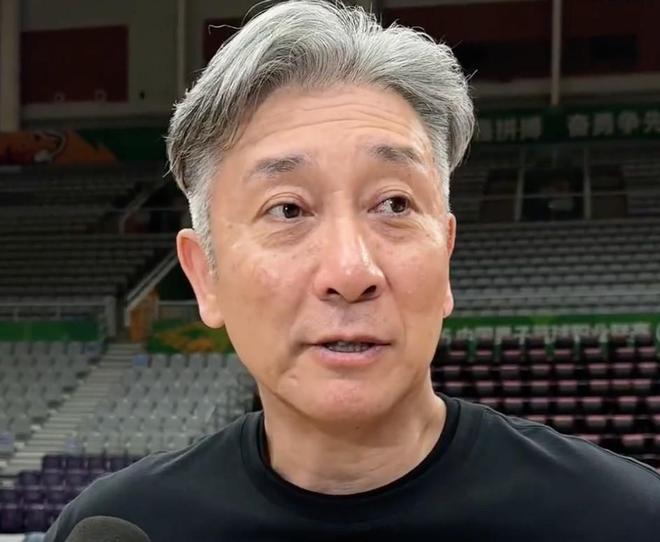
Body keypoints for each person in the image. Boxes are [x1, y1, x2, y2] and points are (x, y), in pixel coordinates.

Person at [45, 1, 660, 540]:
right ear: (205, 276)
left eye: (394, 204)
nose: (350, 270)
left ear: (446, 255)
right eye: (287, 209)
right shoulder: (119, 529)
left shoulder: (626, 520)